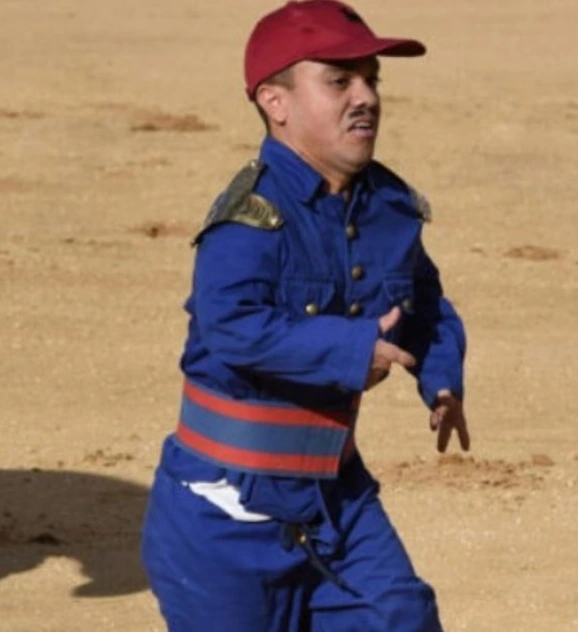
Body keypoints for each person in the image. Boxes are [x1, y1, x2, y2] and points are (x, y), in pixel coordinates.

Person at [140, 1, 470, 630]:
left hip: (335, 496)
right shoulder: (249, 218)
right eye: (339, 80)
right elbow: (232, 325)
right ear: (276, 101)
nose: (366, 96)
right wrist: (351, 350)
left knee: (401, 617)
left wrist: (442, 377)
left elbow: (424, 303)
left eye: (372, 79)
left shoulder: (388, 206)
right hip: (224, 513)